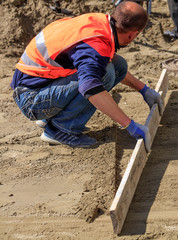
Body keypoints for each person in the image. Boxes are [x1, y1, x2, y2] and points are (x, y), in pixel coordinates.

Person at [11, 1, 162, 150]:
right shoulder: (95, 45)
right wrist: (129, 125)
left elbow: (105, 62)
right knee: (104, 75)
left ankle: (50, 119)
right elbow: (90, 87)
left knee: (117, 65)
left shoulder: (100, 23)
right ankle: (59, 130)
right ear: (133, 35)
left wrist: (143, 89)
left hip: (38, 86)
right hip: (32, 100)